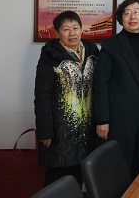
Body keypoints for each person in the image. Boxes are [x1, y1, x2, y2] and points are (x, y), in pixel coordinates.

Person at [93, 0, 139, 178]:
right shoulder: (111, 45)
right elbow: (101, 84)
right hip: (120, 118)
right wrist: (102, 119)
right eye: (127, 13)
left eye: (137, 12)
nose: (133, 17)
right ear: (120, 18)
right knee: (120, 168)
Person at [34, 11, 99, 187]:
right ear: (57, 33)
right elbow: (42, 96)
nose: (72, 33)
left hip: (86, 130)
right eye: (66, 29)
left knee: (81, 177)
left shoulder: (92, 52)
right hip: (59, 131)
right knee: (58, 181)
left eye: (75, 28)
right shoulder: (50, 56)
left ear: (82, 29)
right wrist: (45, 132)